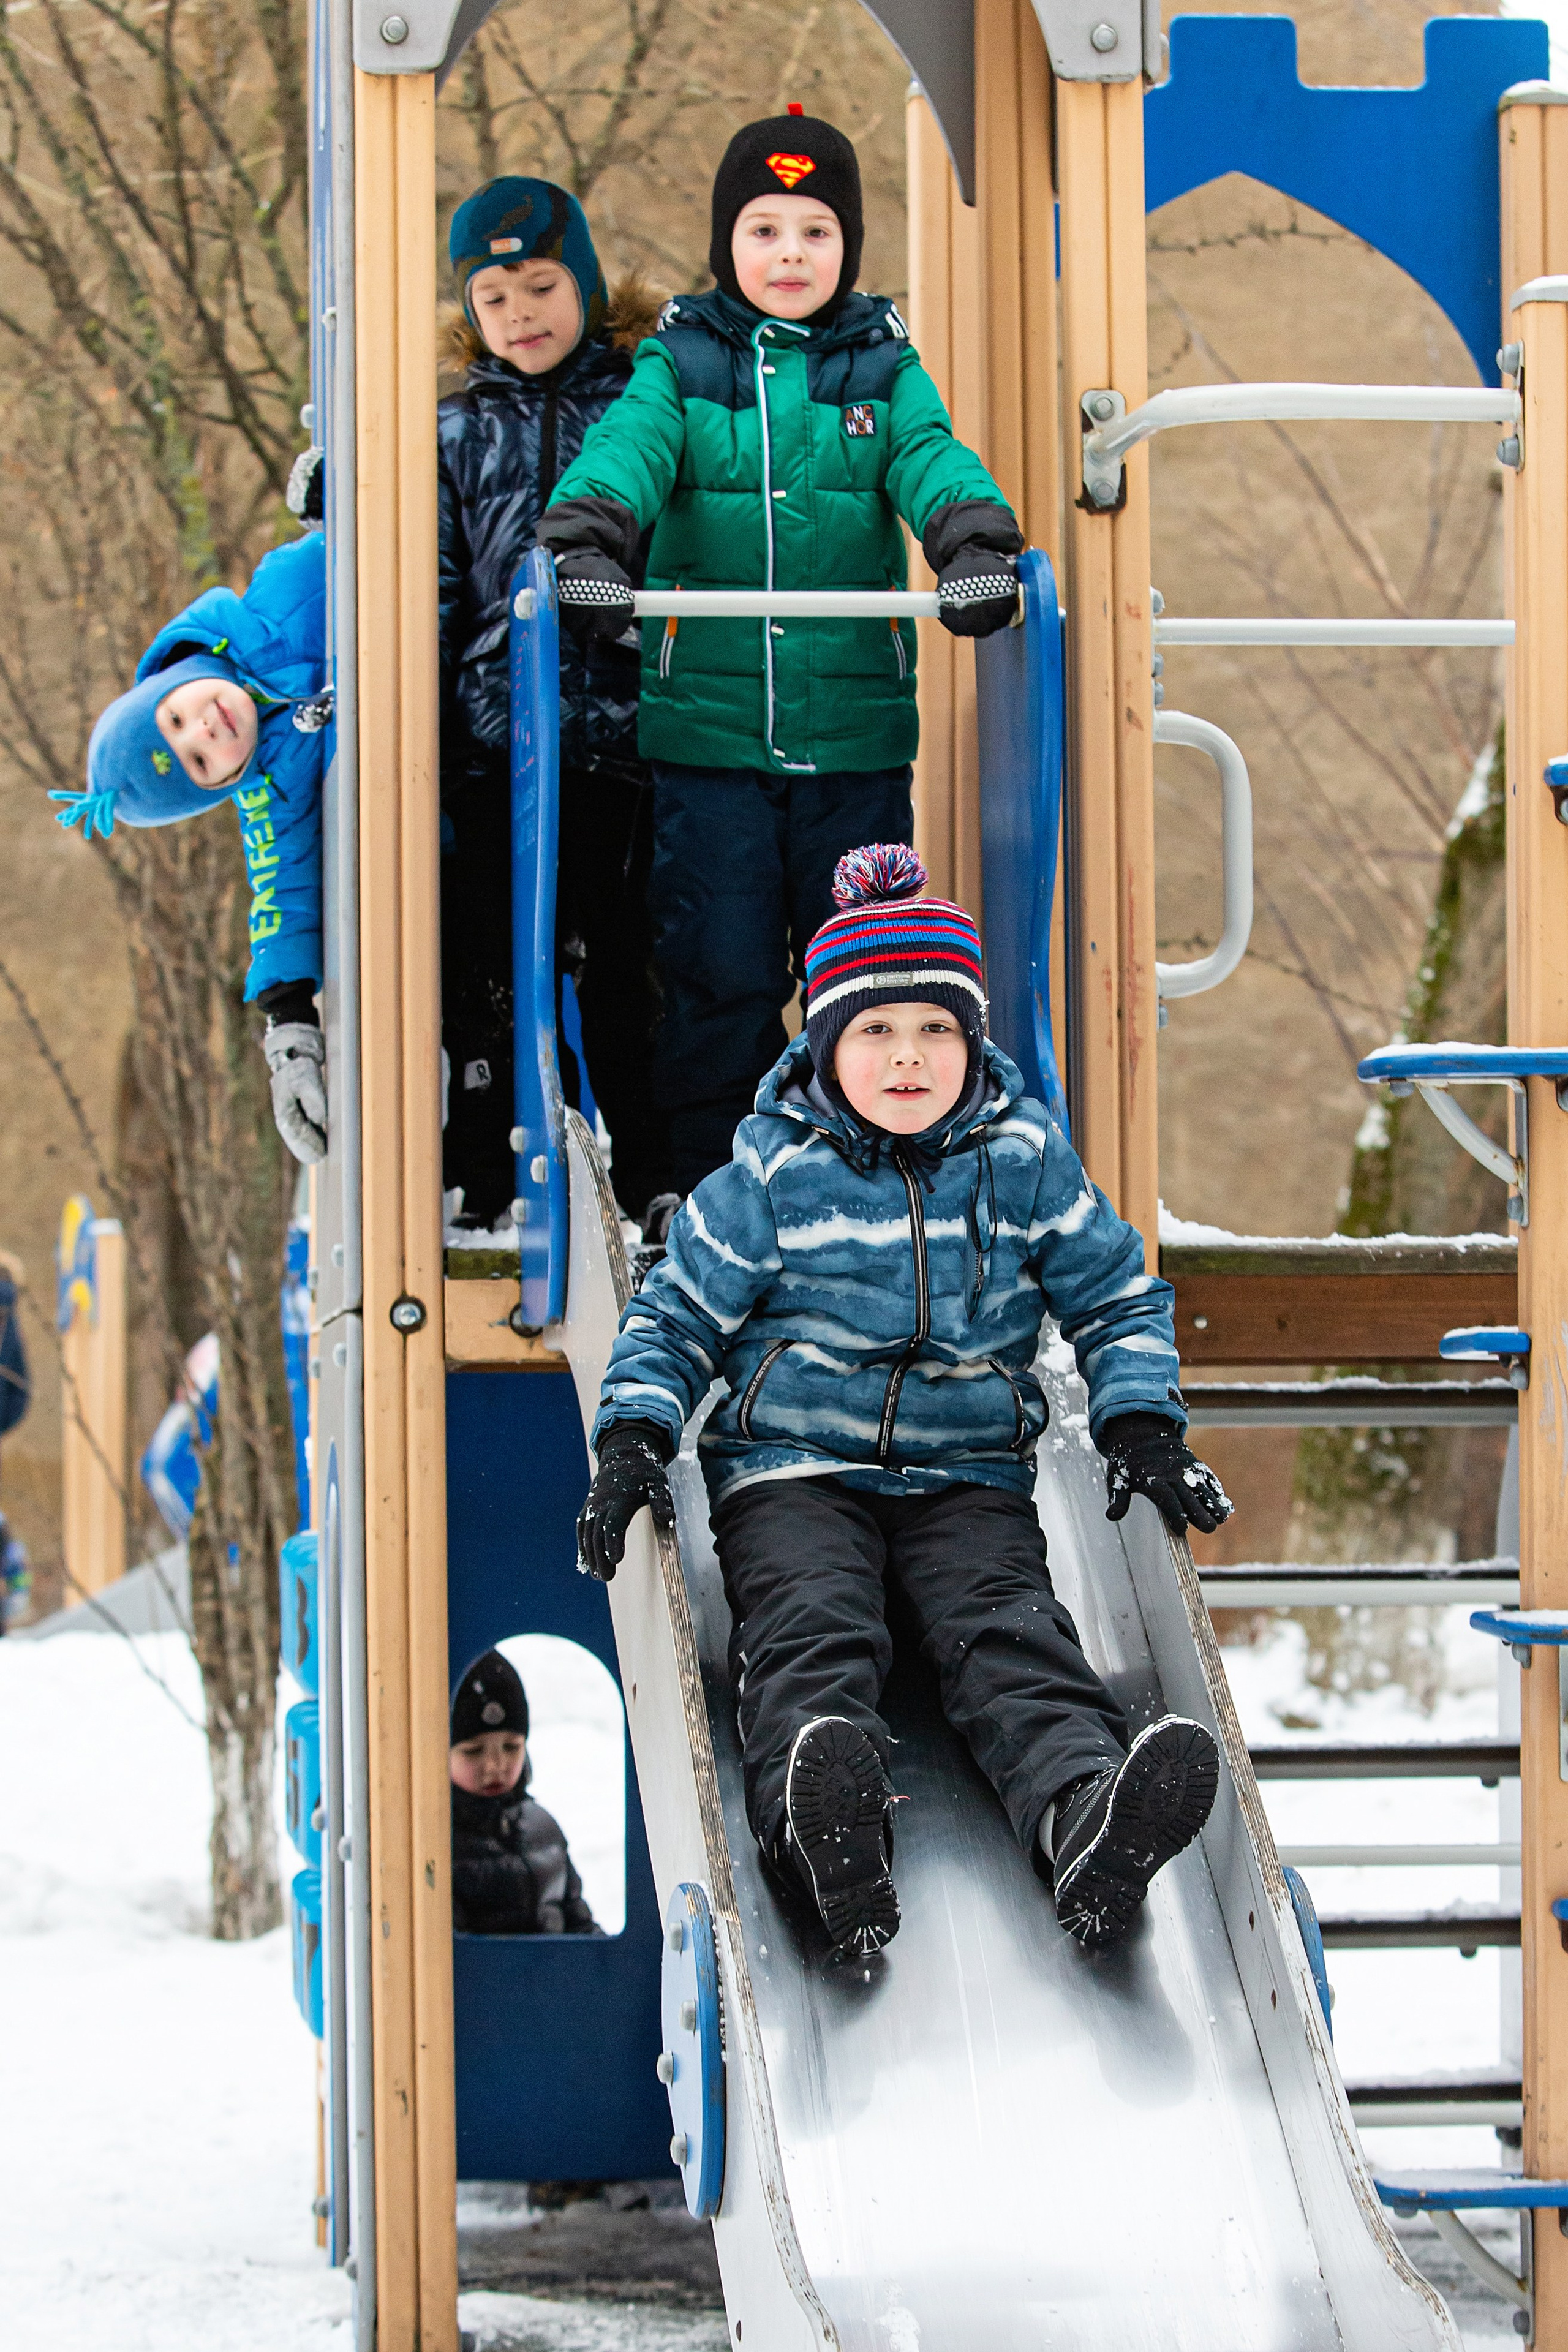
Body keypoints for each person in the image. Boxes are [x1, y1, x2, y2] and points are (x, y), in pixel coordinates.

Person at [575, 845, 1233, 1959]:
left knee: (1008, 1634)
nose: (909, 1057)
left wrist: (1140, 1422)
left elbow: (1117, 1294)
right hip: (795, 1468)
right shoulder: (772, 1176)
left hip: (966, 1475)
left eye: (936, 1029)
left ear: (972, 1043)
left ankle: (1085, 1818)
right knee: (812, 1628)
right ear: (826, 1046)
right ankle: (819, 1829)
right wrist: (635, 1437)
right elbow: (675, 1315)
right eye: (875, 1032)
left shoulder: (1024, 1163)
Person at [539, 111, 1024, 1199]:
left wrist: (973, 544)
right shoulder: (682, 362)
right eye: (765, 230)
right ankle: (713, 1191)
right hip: (708, 747)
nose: (791, 254)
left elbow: (931, 460)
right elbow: (628, 449)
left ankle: (862, 1185)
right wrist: (590, 537)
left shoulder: (881, 368)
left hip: (851, 746)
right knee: (716, 973)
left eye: (816, 230)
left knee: (863, 979)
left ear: (848, 246)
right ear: (729, 245)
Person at [439, 177, 673, 1233]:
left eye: (541, 287)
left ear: (582, 283)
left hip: (624, 738)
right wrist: (441, 731)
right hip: (499, 740)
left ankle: (652, 1168)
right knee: (489, 962)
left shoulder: (640, 400)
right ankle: (490, 1174)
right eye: (496, 297)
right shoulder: (455, 431)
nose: (520, 314)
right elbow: (440, 586)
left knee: (627, 960)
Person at [52, 530, 331, 1167]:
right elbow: (281, 893)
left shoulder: (279, 593)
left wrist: (333, 494)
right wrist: (289, 1028)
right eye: (199, 761)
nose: (206, 730)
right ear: (217, 787)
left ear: (174, 683)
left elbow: (364, 524)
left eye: (178, 720)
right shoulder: (269, 789)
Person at [449, 1648, 600, 1937]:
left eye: (511, 1747)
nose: (495, 1766)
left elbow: (580, 1926)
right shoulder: (436, 1843)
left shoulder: (543, 1829)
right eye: (473, 1751)